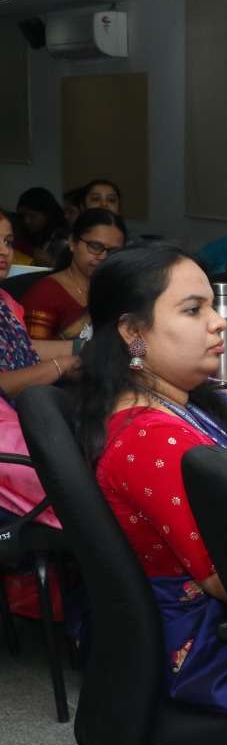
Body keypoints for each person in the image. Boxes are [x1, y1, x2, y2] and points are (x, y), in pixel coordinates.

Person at [78, 244, 227, 713]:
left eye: (211, 306)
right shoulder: (152, 440)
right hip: (218, 649)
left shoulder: (173, 406)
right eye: (193, 309)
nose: (219, 322)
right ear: (133, 333)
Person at [0, 213, 81, 621]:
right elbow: (6, 382)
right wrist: (63, 366)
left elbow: (30, 350)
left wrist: (86, 352)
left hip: (19, 422)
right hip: (6, 444)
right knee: (86, 481)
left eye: (7, 241)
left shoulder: (5, 302)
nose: (3, 251)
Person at [24, 209, 127, 340]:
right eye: (95, 246)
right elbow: (32, 350)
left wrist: (138, 353)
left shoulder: (122, 292)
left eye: (113, 251)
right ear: (73, 242)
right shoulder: (45, 293)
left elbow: (138, 342)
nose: (103, 256)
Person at [11, 187, 66, 266]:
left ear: (47, 214)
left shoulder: (63, 237)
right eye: (22, 216)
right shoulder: (25, 232)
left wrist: (51, 262)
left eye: (32, 216)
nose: (26, 221)